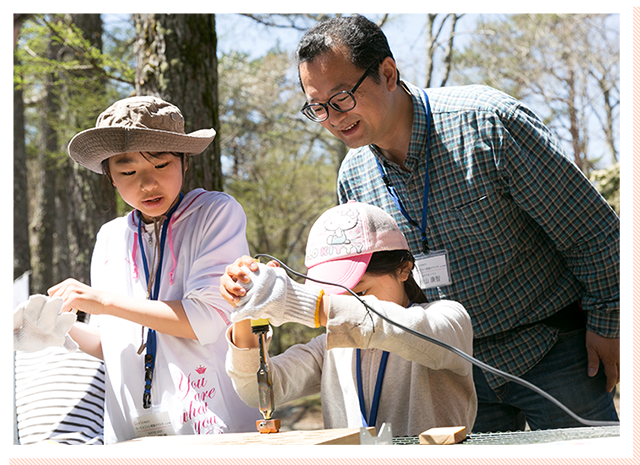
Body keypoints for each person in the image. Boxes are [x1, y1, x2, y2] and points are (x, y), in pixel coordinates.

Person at [294, 15, 619, 432]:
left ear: (388, 74)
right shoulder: (352, 178)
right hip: (452, 368)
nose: (333, 118)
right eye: (317, 107)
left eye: (341, 98)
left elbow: (591, 230)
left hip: (554, 350)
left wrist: (610, 323)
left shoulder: (488, 123)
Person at [15, 96, 258, 443]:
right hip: (131, 434)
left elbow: (205, 320)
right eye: (128, 172)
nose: (147, 184)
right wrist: (56, 330)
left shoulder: (215, 213)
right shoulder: (110, 237)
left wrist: (101, 301)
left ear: (184, 161)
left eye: (161, 165)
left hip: (212, 428)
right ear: (110, 178)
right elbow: (110, 342)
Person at [221, 201, 477, 437]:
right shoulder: (329, 348)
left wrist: (307, 304)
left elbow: (399, 328)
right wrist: (246, 304)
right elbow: (256, 391)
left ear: (403, 269)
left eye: (360, 292)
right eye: (334, 295)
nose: (347, 304)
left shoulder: (450, 318)